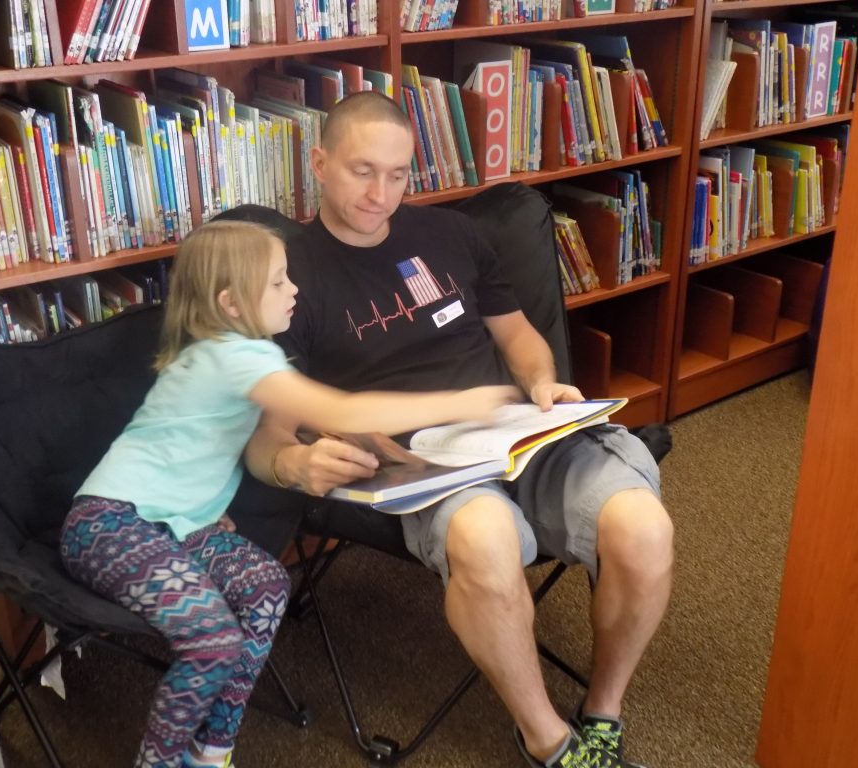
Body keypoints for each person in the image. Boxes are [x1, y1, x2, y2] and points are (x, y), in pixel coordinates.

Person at [244, 93, 674, 768]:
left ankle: (602, 712)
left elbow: (519, 335)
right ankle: (549, 740)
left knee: (644, 530)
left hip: (512, 430)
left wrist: (541, 382)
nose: (380, 194)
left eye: (397, 174)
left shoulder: (452, 236)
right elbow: (268, 437)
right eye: (362, 171)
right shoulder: (286, 276)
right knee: (486, 535)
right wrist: (297, 466)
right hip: (422, 463)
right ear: (320, 164)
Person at [59, 219, 517, 768]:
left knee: (268, 586)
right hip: (110, 525)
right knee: (212, 640)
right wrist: (463, 403)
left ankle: (212, 751)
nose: (294, 289)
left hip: (174, 524)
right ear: (231, 303)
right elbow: (341, 410)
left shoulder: (239, 354)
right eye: (278, 281)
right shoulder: (233, 358)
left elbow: (301, 422)